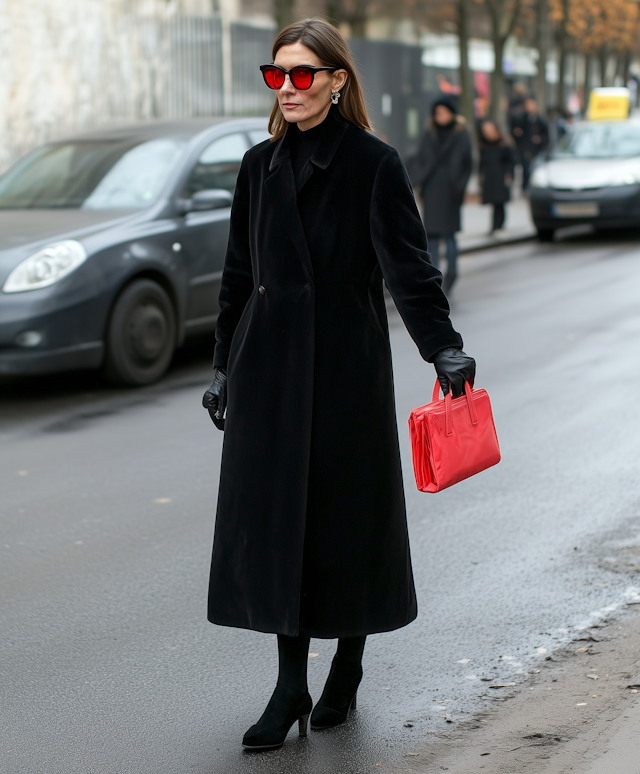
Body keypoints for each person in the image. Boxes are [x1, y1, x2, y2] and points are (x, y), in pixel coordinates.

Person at [201, 17, 476, 751]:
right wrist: (224, 362)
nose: (286, 89)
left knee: (344, 525)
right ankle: (290, 684)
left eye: (301, 75)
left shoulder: (372, 164)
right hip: (268, 372)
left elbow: (408, 269)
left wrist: (442, 347)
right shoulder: (257, 166)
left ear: (335, 81)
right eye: (276, 75)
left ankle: (347, 664)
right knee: (279, 528)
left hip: (342, 371)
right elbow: (236, 274)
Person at [411, 96, 472, 295]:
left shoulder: (462, 134)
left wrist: (460, 187)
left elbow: (468, 163)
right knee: (432, 237)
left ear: (452, 113)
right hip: (432, 189)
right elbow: (421, 158)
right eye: (437, 113)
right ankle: (435, 276)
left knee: (450, 236)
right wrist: (419, 184)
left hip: (451, 190)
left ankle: (452, 273)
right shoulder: (430, 134)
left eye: (444, 112)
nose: (440, 116)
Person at [478, 120, 515, 237]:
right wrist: (481, 175)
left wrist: (508, 174)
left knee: (499, 202)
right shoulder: (484, 145)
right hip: (489, 176)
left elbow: (511, 161)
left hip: (500, 176)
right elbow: (481, 162)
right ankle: (495, 226)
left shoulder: (503, 144)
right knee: (494, 202)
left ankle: (498, 225)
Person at [511, 98, 549, 190]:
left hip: (537, 149)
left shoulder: (540, 119)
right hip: (525, 148)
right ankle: (525, 188)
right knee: (526, 169)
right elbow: (516, 131)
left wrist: (540, 139)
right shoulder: (522, 118)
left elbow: (546, 135)